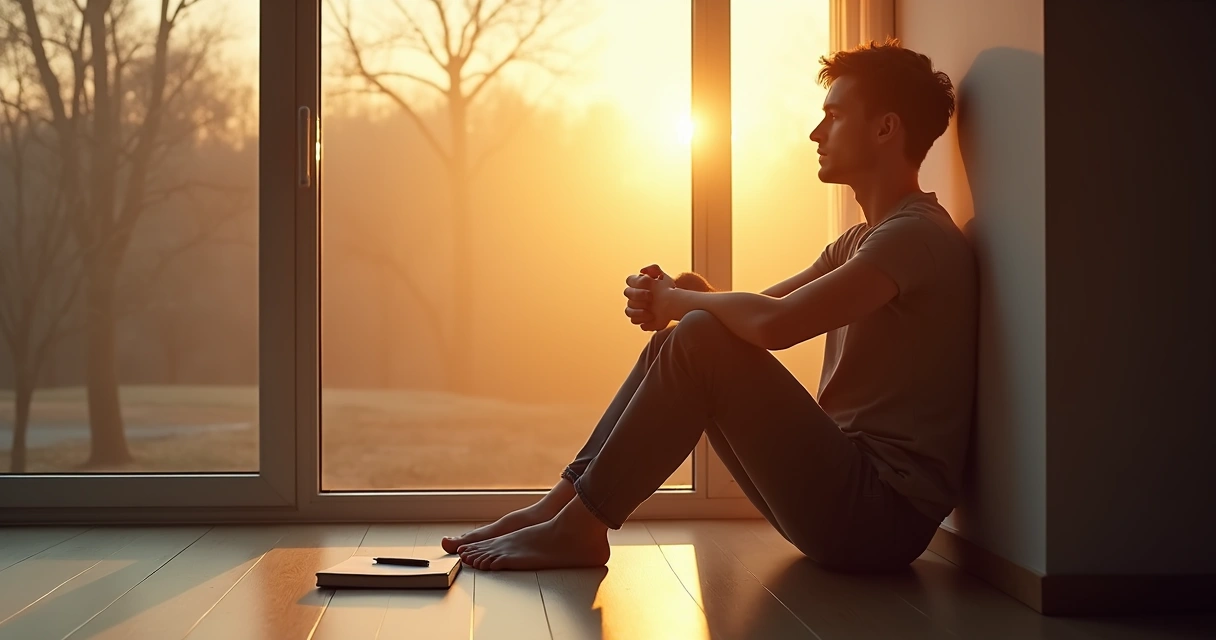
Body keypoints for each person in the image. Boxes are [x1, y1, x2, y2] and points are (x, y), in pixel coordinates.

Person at [441, 38, 977, 572]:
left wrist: (678, 301)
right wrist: (682, 294)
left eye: (833, 116)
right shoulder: (861, 240)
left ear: (886, 128)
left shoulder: (914, 238)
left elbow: (774, 325)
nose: (816, 133)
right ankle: (556, 511)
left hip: (879, 518)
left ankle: (578, 529)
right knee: (694, 332)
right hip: (847, 498)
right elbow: (754, 310)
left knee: (697, 335)